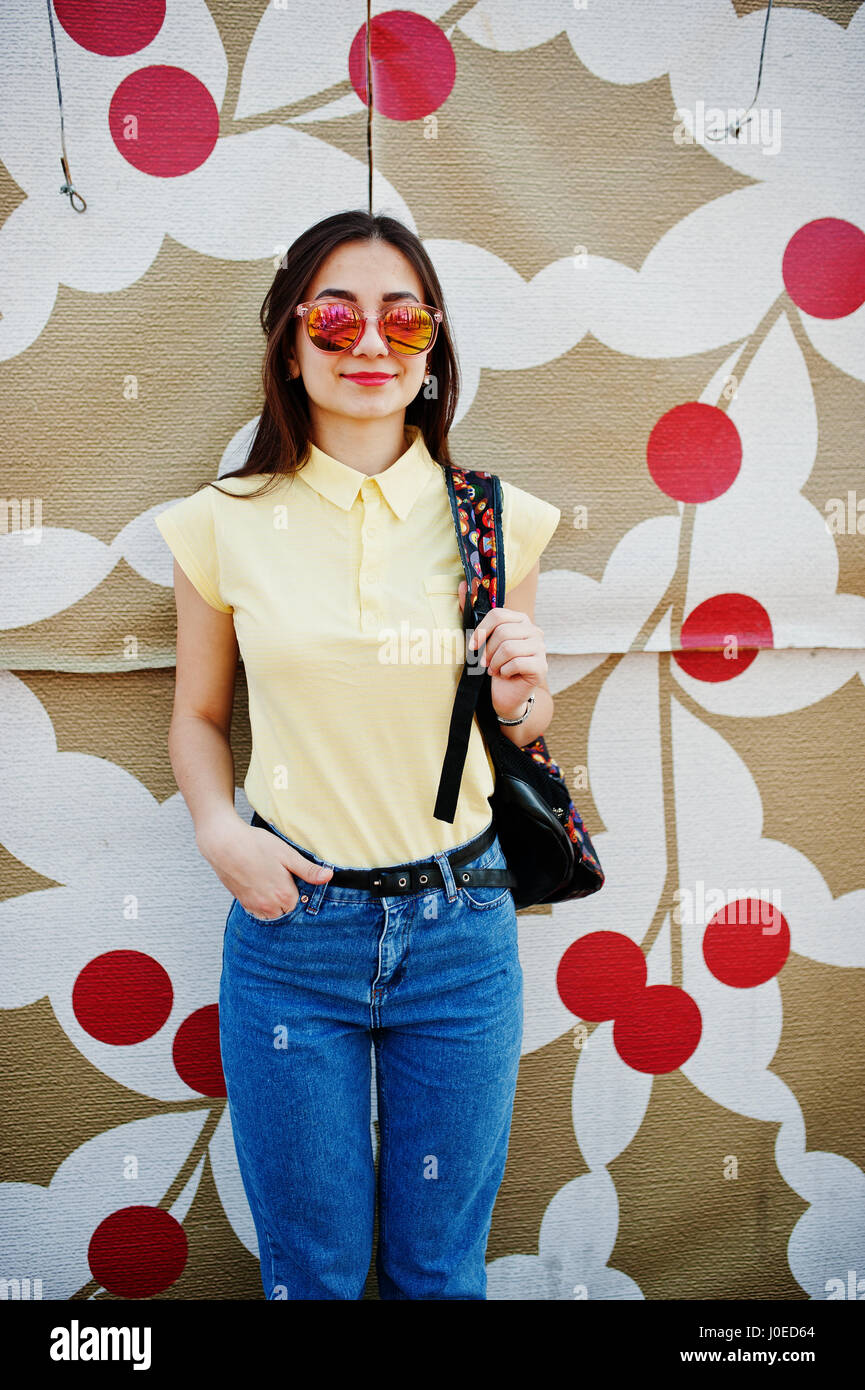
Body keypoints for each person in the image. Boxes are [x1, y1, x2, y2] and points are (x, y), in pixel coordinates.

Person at [155, 209, 561, 1300]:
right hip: (295, 933)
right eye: (334, 318)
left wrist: (525, 702)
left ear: (433, 348)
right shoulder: (224, 521)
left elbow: (516, 733)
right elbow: (199, 714)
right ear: (290, 343)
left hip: (461, 932)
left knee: (438, 1272)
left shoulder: (494, 519)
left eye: (405, 317)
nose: (371, 342)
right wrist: (217, 833)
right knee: (314, 1274)